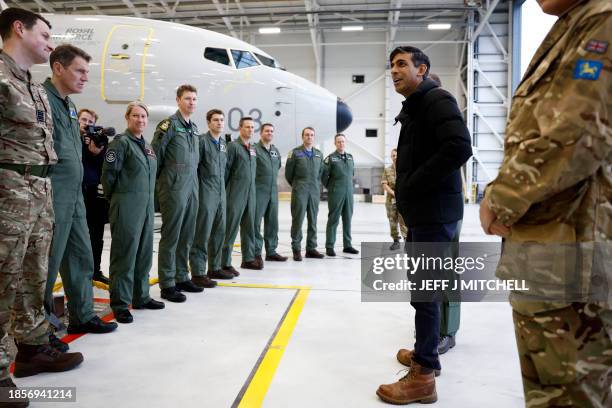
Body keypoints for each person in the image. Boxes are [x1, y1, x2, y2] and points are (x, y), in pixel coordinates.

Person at [480, 0, 611, 406]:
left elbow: (578, 133)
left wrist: (500, 197)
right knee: (550, 392)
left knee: (569, 394)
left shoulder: (602, 20)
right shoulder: (574, 24)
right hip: (550, 255)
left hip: (572, 259)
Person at [376, 46, 472, 405]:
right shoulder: (417, 107)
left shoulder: (437, 100)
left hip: (434, 214)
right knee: (423, 293)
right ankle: (424, 354)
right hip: (424, 215)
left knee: (426, 293)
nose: (394, 71)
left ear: (422, 69)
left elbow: (459, 147)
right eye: (392, 65)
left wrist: (412, 184)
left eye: (402, 64)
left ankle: (424, 376)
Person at [0, 7, 83, 396]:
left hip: (38, 191)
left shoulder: (31, 84)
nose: (51, 44)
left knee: (34, 277)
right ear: (19, 28)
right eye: (45, 35)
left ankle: (33, 348)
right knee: (3, 281)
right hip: (8, 192)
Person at [42, 44, 117, 339]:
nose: (86, 77)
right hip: (53, 193)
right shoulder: (43, 100)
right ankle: (39, 332)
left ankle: (82, 316)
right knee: (45, 265)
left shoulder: (70, 105)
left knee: (81, 256)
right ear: (58, 68)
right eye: (80, 71)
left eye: (87, 71)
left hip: (74, 195)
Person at [102, 102, 164, 324]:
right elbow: (108, 176)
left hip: (146, 207)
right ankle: (120, 303)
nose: (140, 120)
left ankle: (141, 296)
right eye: (136, 116)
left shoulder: (147, 146)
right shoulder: (121, 143)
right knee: (124, 254)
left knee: (144, 253)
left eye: (144, 116)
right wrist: (118, 199)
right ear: (127, 118)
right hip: (126, 204)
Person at [151, 84, 203, 303]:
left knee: (187, 234)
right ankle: (167, 283)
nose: (191, 102)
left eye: (194, 99)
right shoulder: (168, 125)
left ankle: (182, 276)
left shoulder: (194, 128)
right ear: (178, 100)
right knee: (171, 236)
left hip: (192, 187)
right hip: (173, 188)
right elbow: (156, 156)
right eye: (187, 98)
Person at [189, 109, 227, 286]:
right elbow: (194, 168)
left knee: (219, 231)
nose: (219, 123)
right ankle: (198, 272)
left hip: (220, 193)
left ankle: (215, 267)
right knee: (202, 233)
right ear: (208, 122)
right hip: (206, 193)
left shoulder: (222, 144)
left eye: (221, 120)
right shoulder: (202, 142)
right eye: (215, 120)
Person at [221, 117, 259, 274]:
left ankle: (248, 259)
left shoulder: (252, 148)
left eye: (252, 127)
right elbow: (225, 171)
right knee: (230, 228)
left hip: (250, 193)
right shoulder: (233, 147)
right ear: (240, 128)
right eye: (247, 127)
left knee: (250, 227)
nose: (250, 130)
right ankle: (224, 262)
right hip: (235, 193)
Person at [79, 108, 110, 285]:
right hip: (76, 191)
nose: (87, 124)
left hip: (93, 193)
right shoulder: (72, 138)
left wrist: (97, 152)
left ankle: (95, 271)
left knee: (96, 236)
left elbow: (105, 166)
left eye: (91, 122)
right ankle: (78, 273)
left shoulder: (101, 140)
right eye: (84, 120)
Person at [285, 127, 325, 261]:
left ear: (314, 137)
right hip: (300, 190)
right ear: (302, 137)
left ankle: (311, 248)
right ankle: (296, 249)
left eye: (311, 135)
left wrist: (314, 185)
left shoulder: (319, 154)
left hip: (314, 191)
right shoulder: (295, 153)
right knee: (298, 220)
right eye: (307, 135)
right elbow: (288, 174)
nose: (309, 137)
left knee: (313, 220)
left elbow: (320, 173)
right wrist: (298, 185)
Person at [254, 123, 288, 265]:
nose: (269, 133)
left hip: (273, 192)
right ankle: (255, 253)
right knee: (255, 223)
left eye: (271, 131)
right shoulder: (254, 150)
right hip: (258, 190)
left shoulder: (275, 151)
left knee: (272, 223)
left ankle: (271, 251)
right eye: (267, 131)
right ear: (261, 133)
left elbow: (278, 166)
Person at [322, 133, 359, 256]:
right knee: (333, 219)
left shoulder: (350, 157)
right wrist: (332, 187)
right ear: (335, 143)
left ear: (345, 142)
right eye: (338, 142)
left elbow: (351, 174)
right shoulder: (330, 158)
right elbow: (323, 176)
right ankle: (329, 246)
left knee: (348, 219)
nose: (341, 144)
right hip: (336, 193)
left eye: (343, 141)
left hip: (349, 193)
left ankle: (347, 245)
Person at [381, 148, 408, 250]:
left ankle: (406, 241)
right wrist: (394, 193)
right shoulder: (387, 170)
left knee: (404, 221)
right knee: (392, 221)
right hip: (391, 200)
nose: (395, 157)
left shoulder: (405, 169)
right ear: (391, 157)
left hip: (403, 200)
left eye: (396, 155)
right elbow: (384, 184)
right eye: (393, 156)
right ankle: (396, 241)